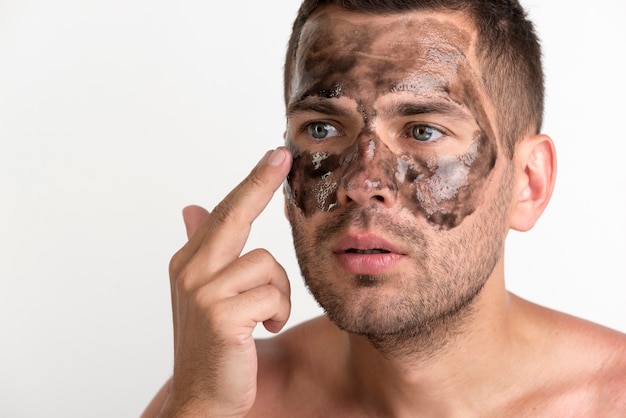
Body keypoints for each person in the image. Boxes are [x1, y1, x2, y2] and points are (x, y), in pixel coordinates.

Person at [143, 0, 626, 416]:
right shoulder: (223, 400)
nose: (360, 182)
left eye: (423, 131)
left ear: (528, 183)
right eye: (322, 129)